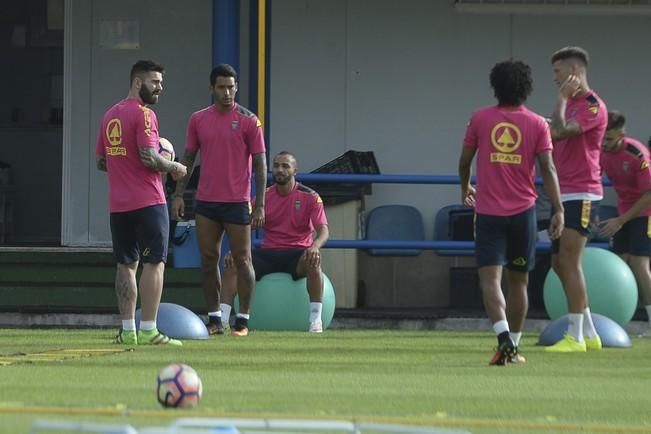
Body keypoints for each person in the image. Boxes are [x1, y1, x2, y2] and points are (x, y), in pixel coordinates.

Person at [458, 60, 564, 365]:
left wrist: (465, 188)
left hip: (489, 213)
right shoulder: (537, 124)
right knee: (520, 282)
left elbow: (464, 162)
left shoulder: (480, 119)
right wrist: (558, 208)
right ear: (527, 89)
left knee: (490, 280)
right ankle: (513, 346)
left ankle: (504, 339)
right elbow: (549, 168)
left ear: (495, 87)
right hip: (524, 215)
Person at [171, 64, 267, 337]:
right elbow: (188, 158)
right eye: (222, 87)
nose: (228, 92)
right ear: (211, 88)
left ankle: (243, 319)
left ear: (237, 87)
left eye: (232, 87)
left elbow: (260, 164)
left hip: (238, 202)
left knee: (243, 259)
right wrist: (178, 194)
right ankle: (215, 318)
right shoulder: (198, 119)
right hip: (206, 202)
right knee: (208, 259)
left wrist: (259, 203)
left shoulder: (250, 120)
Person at [95, 60, 187, 346]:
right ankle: (148, 329)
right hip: (148, 201)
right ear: (138, 83)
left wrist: (126, 170)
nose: (160, 87)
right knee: (154, 263)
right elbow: (149, 157)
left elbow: (101, 162)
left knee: (125, 265)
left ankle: (127, 330)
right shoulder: (145, 115)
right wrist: (174, 167)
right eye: (155, 82)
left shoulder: (109, 115)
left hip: (119, 204)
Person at [220, 151, 330, 333]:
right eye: (276, 166)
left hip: (298, 253)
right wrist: (235, 249)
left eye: (285, 166)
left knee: (314, 261)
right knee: (234, 262)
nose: (280, 170)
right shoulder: (264, 197)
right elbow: (244, 226)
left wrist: (315, 246)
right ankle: (223, 319)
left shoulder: (310, 197)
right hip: (268, 252)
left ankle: (315, 320)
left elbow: (324, 230)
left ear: (295, 170)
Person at [545, 46, 608, 353]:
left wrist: (561, 101)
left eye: (557, 72)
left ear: (573, 71)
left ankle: (576, 338)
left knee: (570, 261)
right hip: (564, 191)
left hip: (582, 192)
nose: (554, 79)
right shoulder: (570, 104)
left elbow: (561, 130)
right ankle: (592, 334)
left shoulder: (591, 106)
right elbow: (552, 132)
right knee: (558, 263)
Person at [599, 111, 651, 337]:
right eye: (602, 138)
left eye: (609, 139)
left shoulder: (637, 154)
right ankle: (613, 321)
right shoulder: (601, 151)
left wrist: (621, 220)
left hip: (646, 212)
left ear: (622, 135)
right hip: (623, 212)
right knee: (617, 264)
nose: (604, 143)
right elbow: (594, 179)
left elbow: (649, 194)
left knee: (640, 264)